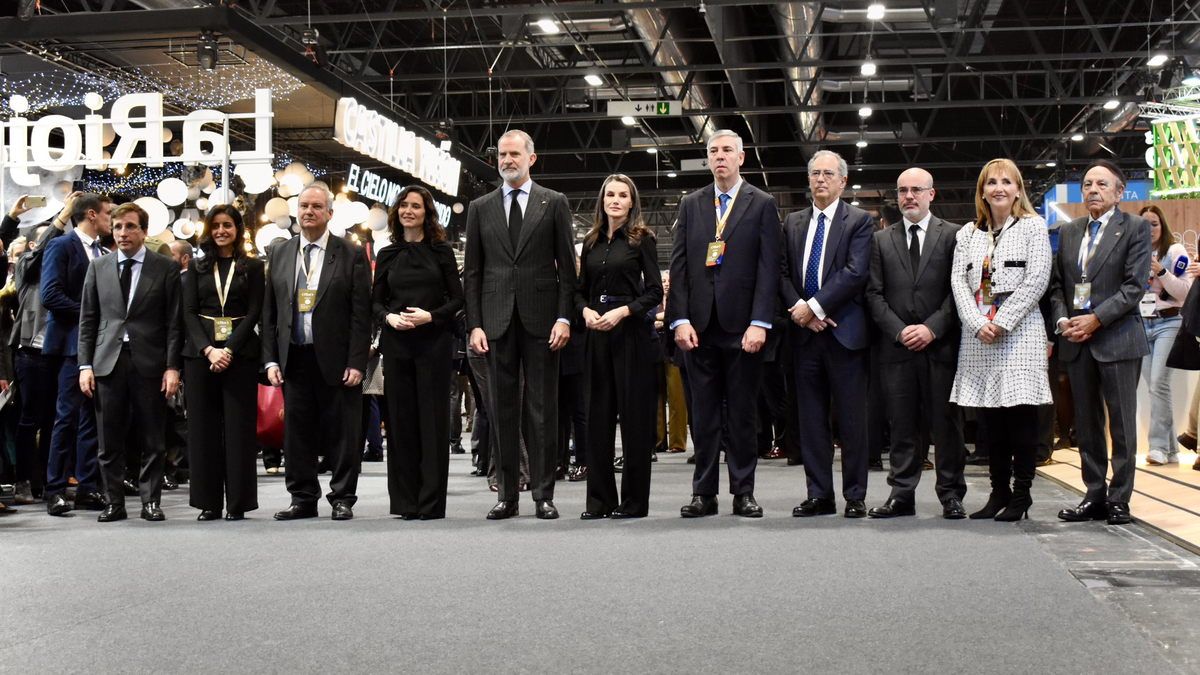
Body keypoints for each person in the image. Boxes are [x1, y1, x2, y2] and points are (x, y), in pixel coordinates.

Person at [463, 129, 578, 520]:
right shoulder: (480, 207)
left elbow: (568, 269)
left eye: (514, 154)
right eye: (501, 154)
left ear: (532, 158)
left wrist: (565, 316)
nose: (506, 160)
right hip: (495, 324)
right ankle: (507, 495)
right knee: (502, 411)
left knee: (542, 411)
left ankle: (544, 494)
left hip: (544, 322)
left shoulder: (554, 202)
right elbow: (473, 274)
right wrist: (474, 324)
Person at [667, 129, 780, 518]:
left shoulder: (762, 203)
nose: (720, 157)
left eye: (727, 151)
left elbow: (770, 269)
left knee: (743, 414)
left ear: (741, 157)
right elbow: (679, 265)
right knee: (704, 414)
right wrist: (678, 319)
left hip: (743, 327)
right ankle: (704, 492)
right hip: (698, 328)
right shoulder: (691, 203)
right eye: (713, 151)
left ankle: (743, 492)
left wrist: (761, 321)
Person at [949, 159, 1052, 522]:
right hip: (979, 335)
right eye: (991, 183)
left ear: (1018, 189)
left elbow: (1037, 279)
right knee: (990, 421)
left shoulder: (1033, 227)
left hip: (1019, 334)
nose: (999, 188)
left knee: (1020, 418)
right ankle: (998, 493)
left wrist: (1002, 322)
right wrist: (977, 322)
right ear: (982, 192)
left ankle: (1022, 495)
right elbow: (959, 284)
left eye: (1007, 182)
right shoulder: (969, 234)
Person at [1050, 160, 1151, 526]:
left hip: (1117, 337)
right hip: (1076, 340)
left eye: (1102, 184)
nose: (1093, 189)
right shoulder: (1070, 230)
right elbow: (1058, 284)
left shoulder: (1136, 227)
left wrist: (1096, 318)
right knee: (1087, 425)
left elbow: (1134, 287)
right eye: (1088, 184)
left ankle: (1120, 499)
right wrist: (1064, 321)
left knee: (1121, 424)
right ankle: (1093, 495)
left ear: (1119, 191)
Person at [262, 184, 372, 521]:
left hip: (337, 360)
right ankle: (303, 498)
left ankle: (342, 498)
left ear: (329, 213)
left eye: (316, 206)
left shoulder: (350, 253)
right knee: (297, 434)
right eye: (304, 206)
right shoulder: (280, 252)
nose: (309, 211)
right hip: (294, 357)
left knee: (342, 432)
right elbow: (270, 311)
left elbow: (360, 313)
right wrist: (270, 359)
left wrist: (357, 361)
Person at [866, 168, 969, 519]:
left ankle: (952, 494)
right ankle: (901, 494)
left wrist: (931, 328)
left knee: (947, 423)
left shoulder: (955, 236)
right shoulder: (881, 240)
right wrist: (899, 331)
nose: (909, 196)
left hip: (940, 346)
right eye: (902, 191)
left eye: (916, 190)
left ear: (931, 194)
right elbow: (874, 294)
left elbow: (961, 292)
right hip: (896, 349)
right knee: (902, 423)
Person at [781, 150, 873, 518]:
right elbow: (782, 273)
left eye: (828, 174)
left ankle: (855, 495)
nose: (821, 179)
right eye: (815, 173)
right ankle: (819, 494)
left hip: (844, 333)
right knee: (811, 419)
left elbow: (855, 272)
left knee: (851, 420)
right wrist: (801, 312)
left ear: (843, 181)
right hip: (804, 337)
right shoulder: (792, 222)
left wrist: (815, 307)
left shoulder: (860, 221)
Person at [78, 203, 183, 522]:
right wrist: (85, 366)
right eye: (119, 226)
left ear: (144, 231)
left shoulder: (164, 267)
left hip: (150, 362)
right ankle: (114, 502)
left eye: (131, 227)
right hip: (107, 361)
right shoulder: (98, 266)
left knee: (152, 436)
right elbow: (88, 320)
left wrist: (172, 366)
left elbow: (174, 323)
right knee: (109, 438)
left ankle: (151, 501)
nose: (124, 232)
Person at [371, 185, 464, 520]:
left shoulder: (441, 251)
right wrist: (389, 317)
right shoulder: (387, 254)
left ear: (427, 213)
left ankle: (430, 503)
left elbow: (457, 299)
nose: (409, 210)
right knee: (400, 423)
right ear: (397, 212)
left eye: (416, 206)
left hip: (433, 344)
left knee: (433, 423)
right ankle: (406, 502)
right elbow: (376, 301)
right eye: (404, 205)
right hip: (396, 344)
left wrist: (431, 316)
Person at [575, 174, 663, 520]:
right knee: (597, 418)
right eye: (609, 194)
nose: (615, 200)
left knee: (635, 421)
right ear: (602, 200)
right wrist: (584, 311)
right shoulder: (591, 241)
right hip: (596, 334)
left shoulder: (644, 240)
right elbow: (579, 289)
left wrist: (624, 312)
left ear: (631, 202)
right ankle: (599, 501)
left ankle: (633, 503)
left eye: (622, 195)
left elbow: (654, 291)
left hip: (631, 335)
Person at [182, 205, 264, 521]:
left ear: (238, 229)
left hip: (240, 354)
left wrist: (228, 349)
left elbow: (256, 310)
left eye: (227, 225)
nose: (221, 231)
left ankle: (239, 503)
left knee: (240, 429)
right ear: (208, 230)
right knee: (203, 430)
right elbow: (188, 312)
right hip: (201, 356)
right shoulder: (196, 267)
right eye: (215, 226)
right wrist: (208, 350)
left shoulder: (254, 268)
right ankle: (209, 502)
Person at [40, 192, 111, 516]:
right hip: (69, 345)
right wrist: (91, 314)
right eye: (109, 214)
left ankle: (88, 488)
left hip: (100, 347)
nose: (113, 221)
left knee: (91, 422)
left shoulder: (105, 252)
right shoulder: (62, 245)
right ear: (92, 215)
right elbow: (50, 295)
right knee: (65, 418)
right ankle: (54, 489)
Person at [1138, 205, 1191, 466]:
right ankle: (1170, 449)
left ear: (1163, 226)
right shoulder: (1135, 252)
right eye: (1144, 224)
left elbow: (1184, 293)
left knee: (1159, 382)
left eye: (1154, 224)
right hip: (1142, 324)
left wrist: (1160, 271)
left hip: (1169, 323)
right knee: (1154, 386)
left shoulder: (1175, 252)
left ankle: (1157, 445)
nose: (1149, 230)